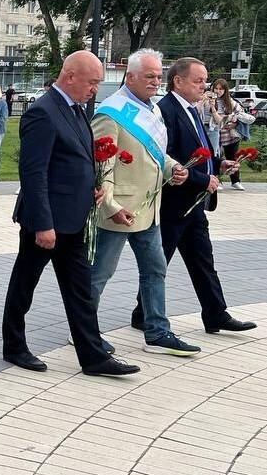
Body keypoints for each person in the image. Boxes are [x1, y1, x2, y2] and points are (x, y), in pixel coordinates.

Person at [1, 51, 141, 376]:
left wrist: (92, 189)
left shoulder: (75, 110)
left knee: (79, 289)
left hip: (73, 221)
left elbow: (74, 161)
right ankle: (14, 346)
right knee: (25, 284)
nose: (95, 89)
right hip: (46, 222)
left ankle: (93, 357)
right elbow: (33, 173)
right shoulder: (42, 113)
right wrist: (43, 224)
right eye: (92, 82)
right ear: (70, 77)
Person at [90, 48, 199, 357]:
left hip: (149, 210)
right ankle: (83, 330)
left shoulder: (152, 110)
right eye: (149, 76)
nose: (155, 81)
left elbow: (156, 155)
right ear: (130, 77)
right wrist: (110, 207)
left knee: (155, 270)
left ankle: (158, 332)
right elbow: (101, 167)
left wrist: (172, 168)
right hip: (118, 210)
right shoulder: (111, 113)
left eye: (158, 76)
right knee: (99, 274)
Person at [138, 58, 257, 335]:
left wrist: (219, 164)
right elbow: (166, 157)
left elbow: (198, 152)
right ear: (178, 81)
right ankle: (142, 313)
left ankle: (216, 315)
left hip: (194, 205)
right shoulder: (165, 111)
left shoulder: (192, 109)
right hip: (173, 203)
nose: (205, 86)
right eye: (198, 80)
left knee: (203, 261)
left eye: (205, 80)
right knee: (157, 264)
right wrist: (203, 179)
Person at [208, 78, 251, 191]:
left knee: (232, 157)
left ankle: (235, 181)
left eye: (221, 89)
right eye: (216, 88)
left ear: (225, 90)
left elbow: (241, 113)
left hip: (230, 135)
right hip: (215, 134)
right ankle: (216, 180)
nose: (218, 91)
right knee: (216, 156)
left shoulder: (230, 101)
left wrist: (234, 122)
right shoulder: (210, 100)